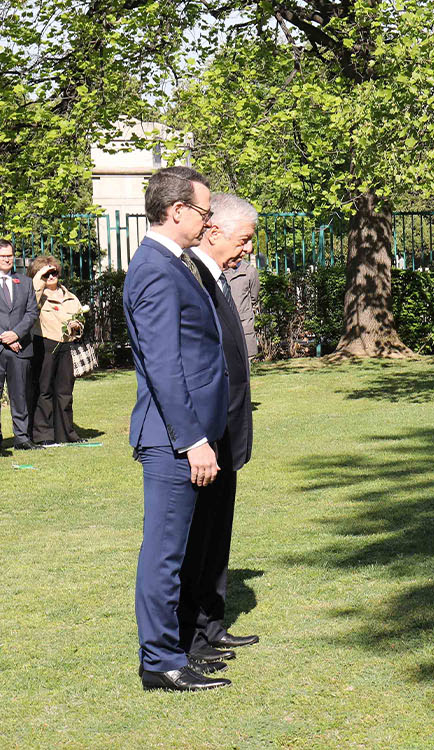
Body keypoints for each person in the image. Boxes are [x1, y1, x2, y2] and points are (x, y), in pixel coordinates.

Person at [125, 165, 232, 691]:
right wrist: (192, 440)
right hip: (172, 438)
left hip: (188, 433)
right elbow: (165, 366)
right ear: (176, 211)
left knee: (184, 550)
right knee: (165, 553)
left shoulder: (176, 263)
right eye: (203, 212)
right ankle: (160, 660)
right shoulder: (154, 268)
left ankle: (178, 645)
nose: (207, 221)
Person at [181, 193, 261, 664]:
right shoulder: (192, 278)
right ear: (214, 232)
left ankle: (211, 626)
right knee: (197, 538)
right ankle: (190, 636)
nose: (247, 250)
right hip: (205, 433)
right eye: (243, 239)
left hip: (227, 429)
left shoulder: (220, 277)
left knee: (217, 535)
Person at [30, 259, 84, 445]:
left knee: (65, 392)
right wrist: (40, 276)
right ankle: (43, 434)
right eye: (47, 274)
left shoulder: (69, 296)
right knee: (44, 390)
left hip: (66, 346)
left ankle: (66, 433)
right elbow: (31, 305)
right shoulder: (37, 295)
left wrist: (77, 326)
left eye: (55, 273)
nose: (52, 277)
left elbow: (80, 316)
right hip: (45, 344)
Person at [0, 239, 40, 451]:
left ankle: (22, 438)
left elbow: (32, 312)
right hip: (1, 347)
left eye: (9, 255)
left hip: (20, 348)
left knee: (20, 395)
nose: (7, 259)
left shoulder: (24, 282)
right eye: (3, 256)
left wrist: (16, 334)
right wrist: (4, 337)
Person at [223, 249, 261, 361]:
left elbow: (254, 296)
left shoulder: (250, 271)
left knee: (248, 357)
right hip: (227, 319)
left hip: (245, 319)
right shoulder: (223, 270)